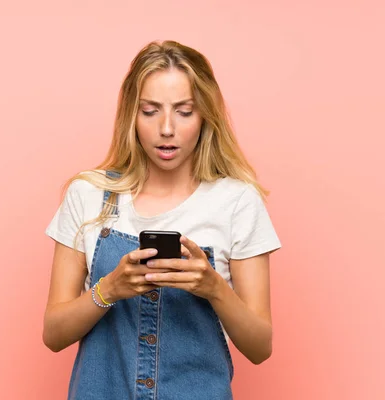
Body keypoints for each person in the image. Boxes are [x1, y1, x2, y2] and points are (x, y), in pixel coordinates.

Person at [43, 40, 282, 400]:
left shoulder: (237, 202)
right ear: (131, 116)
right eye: (150, 110)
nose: (166, 128)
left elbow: (260, 347)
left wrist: (214, 288)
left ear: (205, 117)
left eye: (184, 111)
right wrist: (109, 289)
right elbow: (54, 334)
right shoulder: (87, 195)